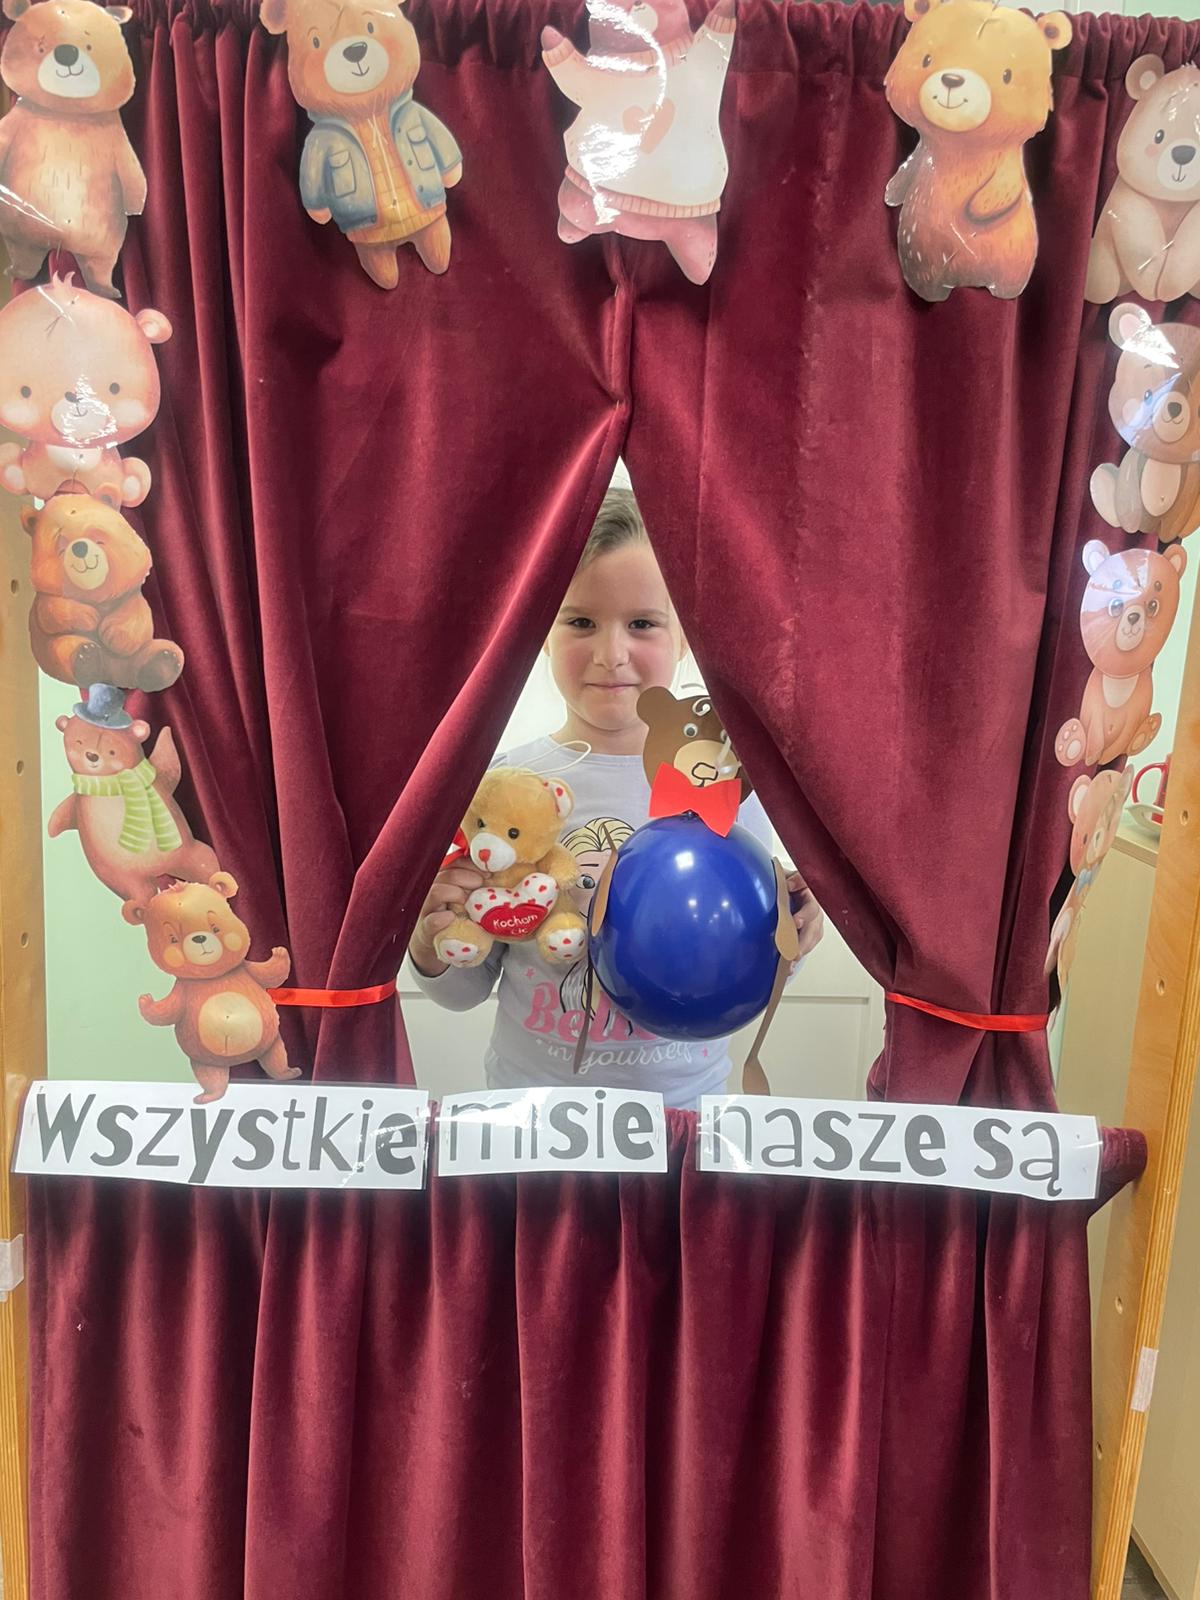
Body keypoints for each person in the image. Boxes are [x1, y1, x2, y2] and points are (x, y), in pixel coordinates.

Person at [407, 487, 825, 1110]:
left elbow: (744, 967)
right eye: (580, 622)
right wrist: (429, 939)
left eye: (643, 623)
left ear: (685, 636)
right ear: (542, 633)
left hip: (684, 1115)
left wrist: (796, 930)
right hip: (530, 1117)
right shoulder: (500, 788)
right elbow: (463, 991)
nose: (611, 655)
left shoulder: (729, 786)